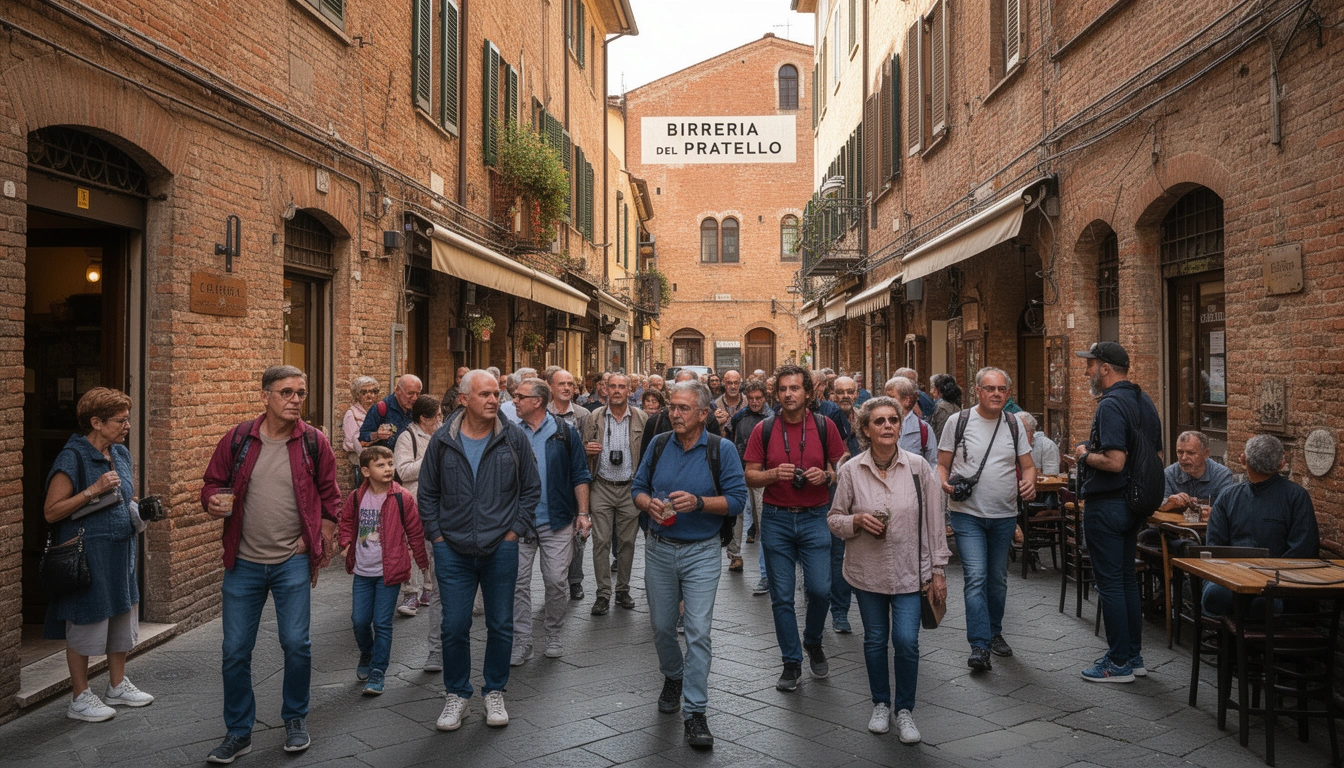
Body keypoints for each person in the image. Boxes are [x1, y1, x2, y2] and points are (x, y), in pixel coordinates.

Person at [201, 366, 341, 761]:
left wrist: (315, 539)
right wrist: (211, 501)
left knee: (296, 644)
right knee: (234, 650)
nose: (296, 400)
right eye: (286, 392)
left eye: (301, 393)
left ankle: (295, 719)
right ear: (265, 396)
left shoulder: (314, 442)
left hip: (291, 562)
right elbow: (211, 483)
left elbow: (331, 497)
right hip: (243, 562)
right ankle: (238, 732)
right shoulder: (238, 439)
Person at [418, 370, 541, 731]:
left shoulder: (513, 438)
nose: (493, 400)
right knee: (454, 625)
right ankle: (457, 694)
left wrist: (514, 532)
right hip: (451, 548)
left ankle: (494, 691)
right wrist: (437, 537)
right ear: (463, 399)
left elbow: (531, 489)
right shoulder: (443, 440)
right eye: (484, 394)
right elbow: (427, 493)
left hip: (500, 546)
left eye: (496, 394)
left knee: (500, 624)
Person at [633, 380, 747, 749]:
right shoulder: (659, 443)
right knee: (662, 626)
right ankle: (673, 675)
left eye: (683, 408)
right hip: (659, 548)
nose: (674, 413)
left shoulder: (720, 449)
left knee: (698, 631)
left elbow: (737, 501)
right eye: (672, 407)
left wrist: (699, 502)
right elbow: (637, 488)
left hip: (701, 551)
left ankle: (696, 711)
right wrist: (648, 503)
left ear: (702, 414)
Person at [829, 397, 947, 741]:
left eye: (893, 420)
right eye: (879, 421)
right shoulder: (851, 470)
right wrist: (856, 521)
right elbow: (834, 519)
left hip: (912, 570)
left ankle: (905, 710)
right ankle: (881, 703)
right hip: (868, 571)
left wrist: (938, 569)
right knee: (876, 640)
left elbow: (935, 521)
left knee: (907, 642)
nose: (887, 426)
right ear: (866, 430)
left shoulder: (918, 468)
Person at [43, 388, 155, 723]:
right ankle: (79, 697)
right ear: (96, 422)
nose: (127, 426)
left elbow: (125, 497)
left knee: (121, 616)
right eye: (121, 420)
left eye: (127, 419)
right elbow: (51, 511)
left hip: (120, 554)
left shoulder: (120, 453)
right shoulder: (72, 457)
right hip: (88, 557)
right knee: (85, 621)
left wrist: (142, 510)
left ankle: (117, 686)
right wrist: (92, 490)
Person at [744, 365, 846, 693]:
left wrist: (826, 476)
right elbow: (750, 475)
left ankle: (812, 640)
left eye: (795, 388)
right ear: (777, 393)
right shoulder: (764, 428)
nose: (789, 394)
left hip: (816, 516)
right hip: (776, 518)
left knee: (820, 589)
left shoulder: (825, 425)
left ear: (808, 393)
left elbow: (841, 466)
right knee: (782, 596)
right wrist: (773, 474)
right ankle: (791, 661)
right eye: (783, 389)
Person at [1072, 341, 1162, 683]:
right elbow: (1155, 455)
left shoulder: (1110, 405)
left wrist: (1084, 454)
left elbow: (1114, 461)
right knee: (1125, 581)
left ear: (1106, 368)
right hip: (1134, 504)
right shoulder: (1144, 401)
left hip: (1108, 504)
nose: (1087, 372)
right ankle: (1133, 656)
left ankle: (1118, 661)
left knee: (1110, 584)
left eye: (1090, 365)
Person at [937, 367, 1036, 673]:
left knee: (997, 579)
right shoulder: (958, 421)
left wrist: (1030, 482)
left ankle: (994, 633)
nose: (996, 394)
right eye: (990, 388)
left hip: (1004, 514)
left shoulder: (1014, 424)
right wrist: (944, 484)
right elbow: (942, 464)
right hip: (967, 514)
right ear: (977, 391)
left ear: (1008, 393)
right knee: (976, 577)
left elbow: (1028, 465)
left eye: (1001, 389)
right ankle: (979, 645)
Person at [511, 377, 592, 663]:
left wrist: (583, 514)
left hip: (557, 520)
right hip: (520, 522)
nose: (514, 401)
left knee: (556, 581)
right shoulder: (511, 433)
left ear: (537, 402)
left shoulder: (564, 432)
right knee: (516, 583)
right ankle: (522, 641)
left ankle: (554, 632)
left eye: (520, 396)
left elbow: (580, 474)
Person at [338, 446, 429, 695]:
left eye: (390, 463)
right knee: (359, 621)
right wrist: (345, 542)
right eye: (381, 465)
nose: (388, 469)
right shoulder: (356, 497)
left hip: (389, 571)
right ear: (366, 471)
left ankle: (378, 670)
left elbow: (415, 531)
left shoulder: (402, 497)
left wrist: (422, 561)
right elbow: (346, 521)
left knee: (382, 623)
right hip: (362, 571)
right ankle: (367, 653)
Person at [1202, 434, 1319, 616]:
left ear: (1243, 460)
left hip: (1269, 583)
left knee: (1227, 599)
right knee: (1233, 599)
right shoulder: (1297, 496)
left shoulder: (1227, 497)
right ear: (1281, 464)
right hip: (1261, 580)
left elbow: (1214, 546)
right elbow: (1303, 550)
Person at [582, 373, 648, 614]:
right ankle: (603, 593)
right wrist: (587, 450)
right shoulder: (595, 417)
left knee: (627, 542)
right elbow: (583, 450)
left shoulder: (641, 417)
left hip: (630, 487)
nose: (617, 391)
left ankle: (622, 589)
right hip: (601, 485)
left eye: (622, 386)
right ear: (605, 389)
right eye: (613, 386)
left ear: (630, 390)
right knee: (600, 542)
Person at [393, 395, 441, 620]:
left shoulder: (440, 434)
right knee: (411, 547)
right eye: (437, 416)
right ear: (423, 418)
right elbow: (402, 471)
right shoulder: (407, 437)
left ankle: (429, 588)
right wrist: (430, 459)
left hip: (436, 501)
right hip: (413, 501)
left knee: (432, 546)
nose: (440, 420)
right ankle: (410, 592)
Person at [827, 376, 863, 633]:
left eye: (850, 391)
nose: (845, 396)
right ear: (833, 394)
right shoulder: (827, 421)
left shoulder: (864, 419)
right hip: (835, 493)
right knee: (838, 552)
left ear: (857, 393)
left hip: (864, 493)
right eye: (840, 392)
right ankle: (839, 611)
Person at [731, 380, 771, 587]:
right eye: (751, 398)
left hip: (762, 474)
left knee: (763, 520)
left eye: (758, 398)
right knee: (736, 514)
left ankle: (765, 572)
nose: (754, 402)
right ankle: (735, 555)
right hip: (739, 471)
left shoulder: (771, 418)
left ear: (765, 397)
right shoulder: (739, 417)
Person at [641, 370, 722, 455]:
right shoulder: (656, 423)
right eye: (679, 387)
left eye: (688, 387)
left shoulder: (709, 420)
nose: (675, 415)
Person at [1158, 430, 1235, 512]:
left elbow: (1229, 510)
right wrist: (1170, 503)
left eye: (1190, 453)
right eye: (1180, 452)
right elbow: (1157, 507)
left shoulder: (1222, 475)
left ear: (1205, 454)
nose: (1183, 458)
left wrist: (1213, 513)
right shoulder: (1169, 474)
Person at [885, 377, 938, 469]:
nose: (886, 402)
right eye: (885, 397)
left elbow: (932, 464)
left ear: (907, 400)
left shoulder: (923, 429)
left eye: (892, 398)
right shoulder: (878, 425)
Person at [360, 374, 423, 451]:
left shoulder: (419, 409)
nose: (415, 398)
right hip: (387, 457)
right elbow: (361, 436)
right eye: (410, 393)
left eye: (418, 394)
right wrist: (377, 435)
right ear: (398, 390)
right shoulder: (380, 408)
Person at [342, 376, 380, 465]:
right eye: (364, 392)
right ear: (357, 395)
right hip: (361, 458)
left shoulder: (380, 411)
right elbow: (349, 442)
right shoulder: (352, 414)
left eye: (373, 391)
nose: (369, 395)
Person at [1016, 411, 1061, 475]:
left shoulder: (1047, 446)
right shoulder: (1008, 444)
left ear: (1032, 432)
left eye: (1021, 431)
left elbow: (1051, 477)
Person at [713, 370, 747, 439]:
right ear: (724, 383)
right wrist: (714, 421)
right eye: (729, 383)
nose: (733, 386)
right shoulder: (715, 405)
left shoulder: (748, 402)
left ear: (740, 383)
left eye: (736, 383)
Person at [928, 374, 962, 440]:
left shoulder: (943, 408)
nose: (931, 392)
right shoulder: (952, 406)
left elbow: (940, 436)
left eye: (933, 388)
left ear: (939, 390)